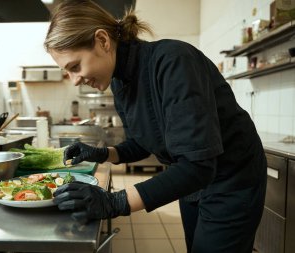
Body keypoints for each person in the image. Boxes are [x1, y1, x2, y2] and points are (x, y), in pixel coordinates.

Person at [44, 1, 267, 252]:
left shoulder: (173, 61)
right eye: (68, 72)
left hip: (231, 178)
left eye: (75, 67)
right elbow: (142, 142)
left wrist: (115, 202)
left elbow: (198, 165)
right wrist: (104, 153)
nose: (75, 80)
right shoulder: (119, 83)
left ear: (103, 41)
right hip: (191, 181)